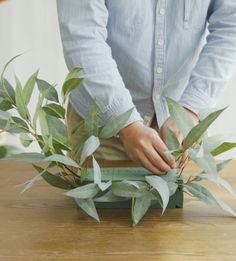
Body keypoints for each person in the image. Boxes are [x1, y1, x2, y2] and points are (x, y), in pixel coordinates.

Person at [56, 0, 236, 174]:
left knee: (185, 205)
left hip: (184, 127)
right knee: (100, 205)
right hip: (101, 129)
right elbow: (82, 34)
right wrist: (123, 121)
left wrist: (190, 109)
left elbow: (231, 26)